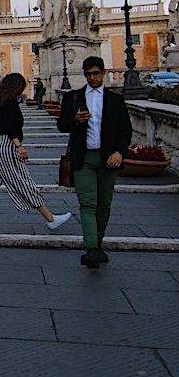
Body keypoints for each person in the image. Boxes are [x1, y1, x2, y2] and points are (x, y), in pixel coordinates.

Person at [0, 73, 73, 233]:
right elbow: (11, 126)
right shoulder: (10, 103)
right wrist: (19, 146)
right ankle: (50, 219)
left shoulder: (4, 101)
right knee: (22, 181)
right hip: (7, 146)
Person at [57, 57, 132, 268]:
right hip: (84, 158)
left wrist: (120, 152)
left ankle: (98, 244)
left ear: (103, 73)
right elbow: (62, 125)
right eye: (88, 74)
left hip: (109, 158)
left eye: (95, 74)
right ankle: (91, 248)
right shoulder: (73, 98)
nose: (92, 78)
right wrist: (75, 121)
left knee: (104, 204)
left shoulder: (115, 100)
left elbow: (125, 130)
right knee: (87, 204)